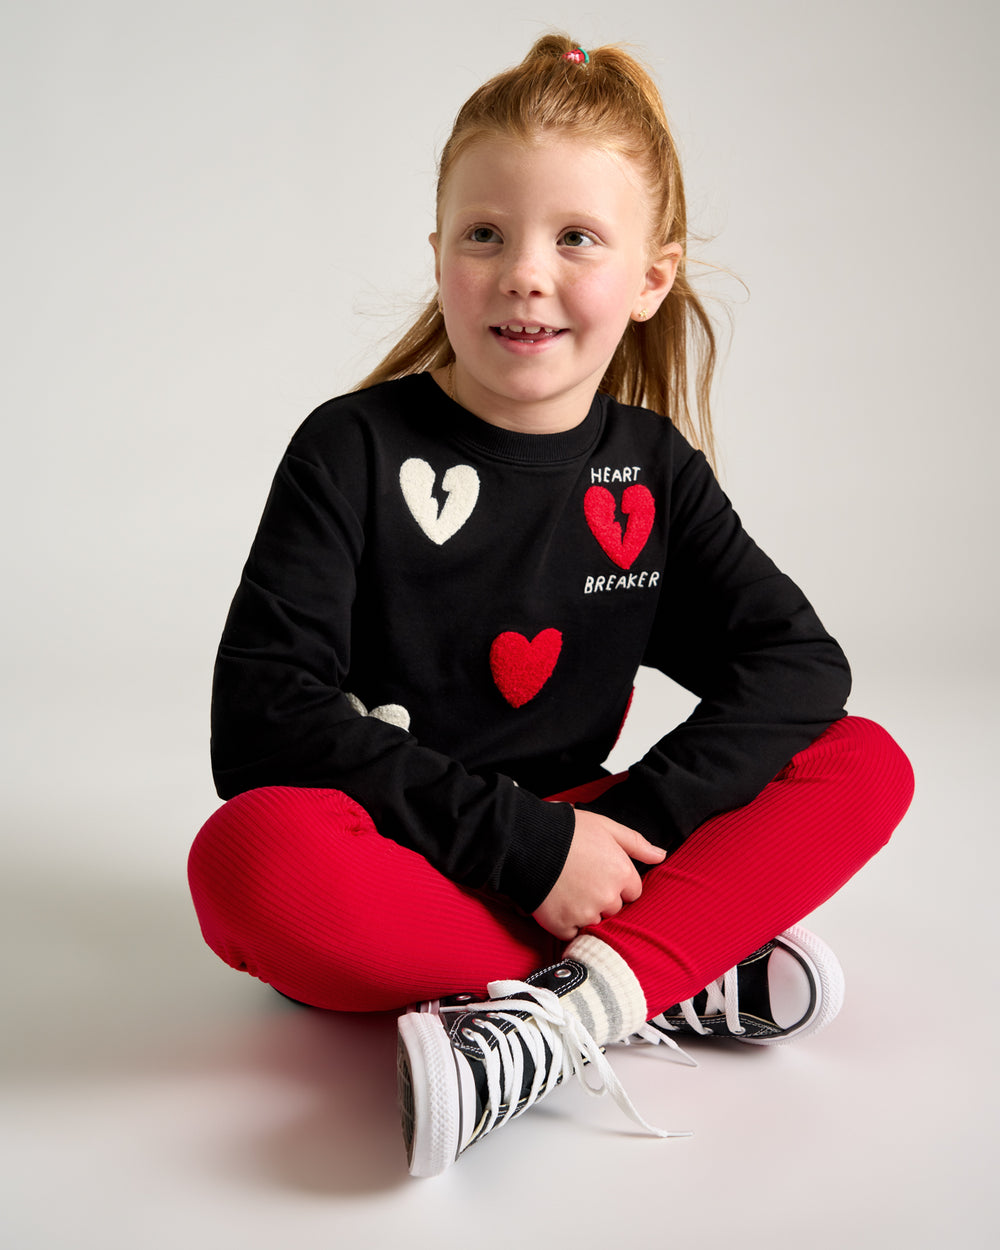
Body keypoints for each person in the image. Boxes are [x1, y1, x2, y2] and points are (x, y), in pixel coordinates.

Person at [187, 35, 914, 1178]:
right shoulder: (352, 448)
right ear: (438, 255)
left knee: (863, 759)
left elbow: (795, 664)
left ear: (650, 277)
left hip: (598, 835)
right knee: (250, 860)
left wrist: (618, 842)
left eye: (575, 237)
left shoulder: (650, 471)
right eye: (486, 233)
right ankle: (670, 965)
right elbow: (262, 717)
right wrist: (528, 848)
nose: (525, 269)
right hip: (414, 846)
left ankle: (554, 1014)